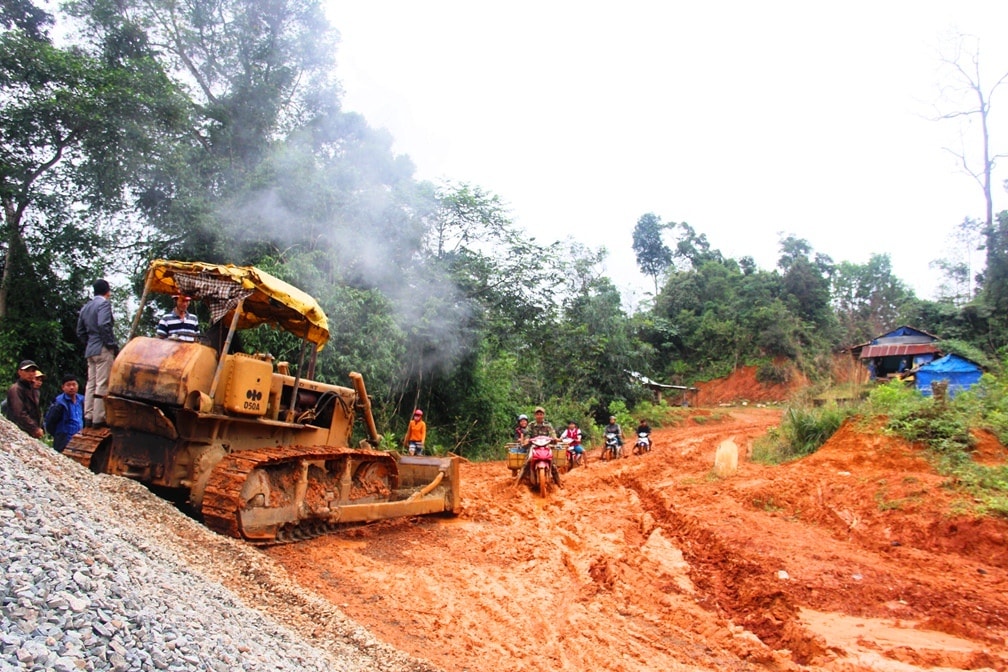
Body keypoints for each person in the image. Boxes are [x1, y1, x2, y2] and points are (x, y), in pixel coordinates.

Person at [76, 278, 119, 428]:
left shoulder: (86, 307)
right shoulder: (104, 304)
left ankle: (88, 415)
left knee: (91, 383)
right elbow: (103, 324)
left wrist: (88, 343)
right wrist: (110, 344)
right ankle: (99, 417)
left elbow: (80, 331)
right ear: (107, 292)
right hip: (102, 347)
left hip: (90, 349)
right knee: (102, 383)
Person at [44, 374, 85, 453]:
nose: (71, 387)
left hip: (79, 439)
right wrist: (59, 435)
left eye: (74, 384)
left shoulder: (82, 400)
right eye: (68, 385)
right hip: (64, 440)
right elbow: (49, 422)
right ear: (63, 387)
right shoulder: (59, 403)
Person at [6, 360, 44, 439]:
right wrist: (34, 428)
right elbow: (19, 413)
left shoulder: (33, 389)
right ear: (19, 372)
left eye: (33, 371)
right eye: (27, 371)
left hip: (29, 431)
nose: (30, 374)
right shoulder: (16, 389)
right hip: (17, 431)